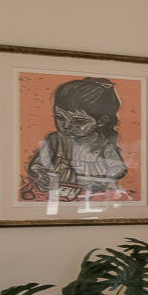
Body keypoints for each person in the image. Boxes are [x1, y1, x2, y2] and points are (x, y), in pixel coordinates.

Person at [21, 77, 129, 205]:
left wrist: (99, 181)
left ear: (101, 121)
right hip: (58, 198)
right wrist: (41, 176)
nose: (65, 126)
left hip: (91, 199)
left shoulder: (103, 144)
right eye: (60, 117)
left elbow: (118, 170)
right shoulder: (55, 140)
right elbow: (37, 166)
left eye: (78, 121)